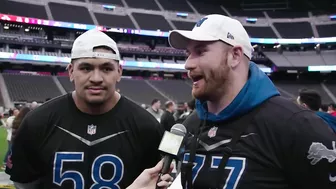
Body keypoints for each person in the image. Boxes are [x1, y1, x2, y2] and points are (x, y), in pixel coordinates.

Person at [167, 14, 336, 189]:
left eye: (200, 51)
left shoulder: (297, 126)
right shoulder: (190, 124)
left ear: (235, 55)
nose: (187, 63)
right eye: (188, 53)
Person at [9, 29, 164, 189]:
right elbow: (23, 183)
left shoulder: (147, 127)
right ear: (71, 71)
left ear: (119, 72)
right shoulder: (37, 122)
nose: (96, 78)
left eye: (106, 69)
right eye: (86, 68)